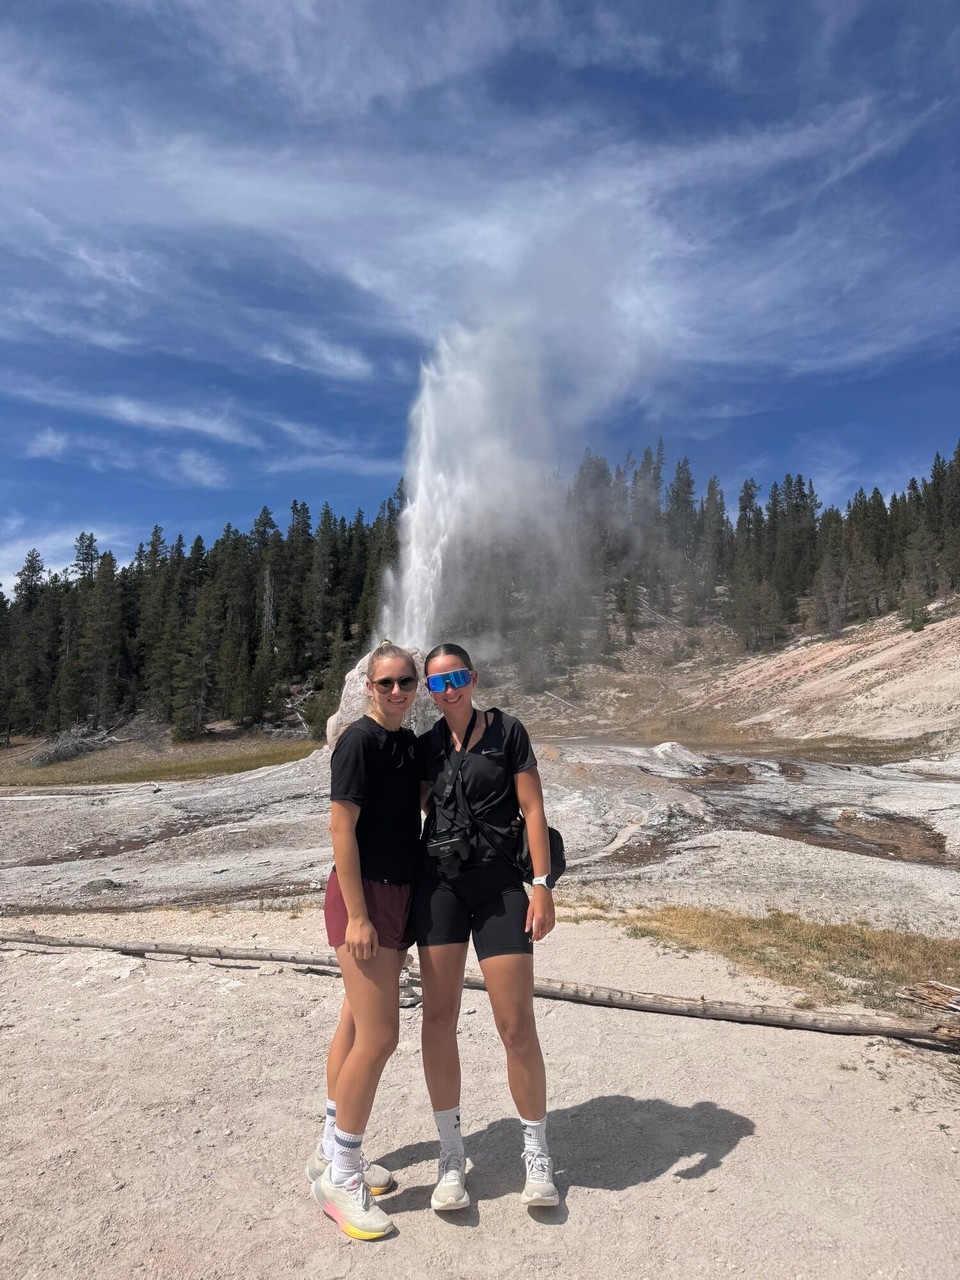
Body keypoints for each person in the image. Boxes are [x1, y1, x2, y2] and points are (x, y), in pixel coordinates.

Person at [413, 642, 559, 1213]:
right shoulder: (423, 747)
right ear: (429, 691)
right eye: (438, 683)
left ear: (473, 679)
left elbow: (534, 810)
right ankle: (452, 1154)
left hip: (500, 886)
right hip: (440, 889)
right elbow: (405, 815)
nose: (450, 690)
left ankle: (537, 1148)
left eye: (459, 678)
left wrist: (542, 884)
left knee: (516, 1021)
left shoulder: (507, 731)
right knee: (438, 1018)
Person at [310, 641, 421, 1241]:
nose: (398, 691)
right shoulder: (357, 740)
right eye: (387, 683)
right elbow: (340, 825)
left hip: (395, 894)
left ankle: (331, 1150)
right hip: (364, 899)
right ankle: (343, 1176)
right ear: (368, 688)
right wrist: (358, 915)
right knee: (381, 1036)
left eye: (407, 681)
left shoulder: (404, 744)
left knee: (355, 1023)